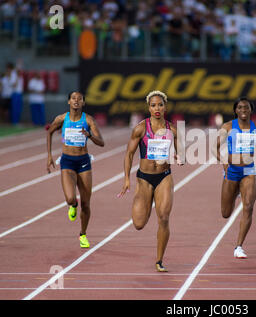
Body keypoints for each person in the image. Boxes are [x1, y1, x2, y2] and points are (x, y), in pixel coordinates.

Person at [117, 90, 183, 272]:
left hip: (164, 177)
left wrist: (179, 157)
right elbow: (129, 154)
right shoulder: (140, 128)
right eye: (153, 105)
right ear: (148, 107)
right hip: (144, 179)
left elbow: (181, 154)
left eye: (160, 105)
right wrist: (126, 179)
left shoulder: (172, 130)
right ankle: (146, 204)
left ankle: (159, 260)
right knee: (138, 224)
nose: (157, 108)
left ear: (165, 107)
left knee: (163, 217)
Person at [216, 97, 256, 258]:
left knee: (249, 206)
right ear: (235, 110)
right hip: (231, 171)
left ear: (251, 110)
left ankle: (239, 247)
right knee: (225, 213)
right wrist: (223, 161)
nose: (243, 110)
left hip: (249, 171)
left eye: (246, 107)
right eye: (240, 107)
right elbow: (215, 148)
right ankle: (236, 192)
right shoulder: (228, 127)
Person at [46, 91, 105, 248]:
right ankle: (73, 205)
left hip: (84, 162)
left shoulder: (89, 120)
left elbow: (101, 142)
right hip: (67, 161)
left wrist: (89, 135)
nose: (76, 101)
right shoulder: (61, 119)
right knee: (71, 198)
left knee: (86, 203)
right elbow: (50, 132)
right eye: (73, 98)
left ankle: (83, 234)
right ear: (69, 102)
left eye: (80, 99)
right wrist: (49, 156)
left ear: (83, 103)